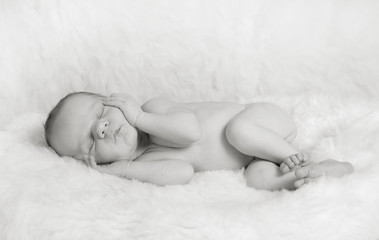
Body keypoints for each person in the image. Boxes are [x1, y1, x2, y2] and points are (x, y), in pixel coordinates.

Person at [44, 91, 354, 190]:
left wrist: (138, 118)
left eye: (99, 111)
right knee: (258, 180)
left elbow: (189, 132)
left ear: (116, 99)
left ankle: (297, 157)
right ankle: (314, 173)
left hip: (262, 122)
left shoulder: (153, 110)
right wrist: (124, 169)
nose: (100, 128)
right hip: (254, 157)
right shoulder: (144, 162)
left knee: (239, 132)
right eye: (89, 140)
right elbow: (182, 173)